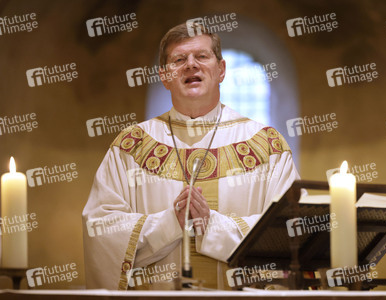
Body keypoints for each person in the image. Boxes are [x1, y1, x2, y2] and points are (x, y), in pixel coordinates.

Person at [82, 23, 300, 290]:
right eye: (179, 59)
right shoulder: (130, 146)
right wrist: (169, 223)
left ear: (221, 70)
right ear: (164, 75)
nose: (191, 65)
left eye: (202, 56)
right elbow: (100, 228)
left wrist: (213, 226)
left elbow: (287, 229)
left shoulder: (267, 145)